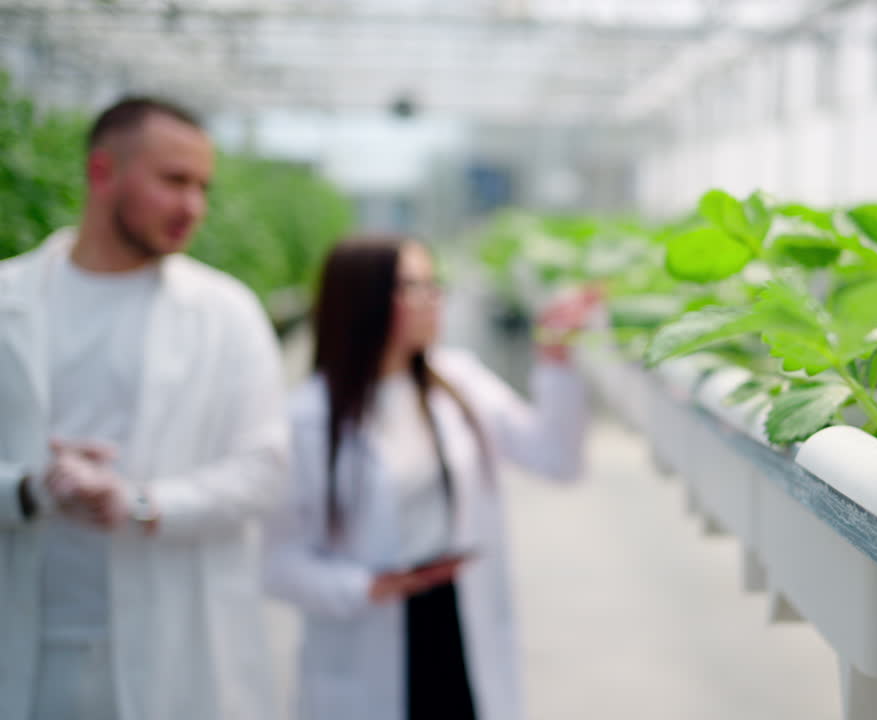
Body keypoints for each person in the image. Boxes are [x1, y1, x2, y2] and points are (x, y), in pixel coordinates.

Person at [0, 98, 287, 719]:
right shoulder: (10, 302)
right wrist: (28, 490)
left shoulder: (226, 314)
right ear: (103, 173)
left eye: (202, 186)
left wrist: (139, 503)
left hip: (176, 652)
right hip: (33, 648)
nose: (194, 207)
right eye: (174, 180)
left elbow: (265, 470)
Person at [264, 235, 594, 720]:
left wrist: (557, 363)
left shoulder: (458, 382)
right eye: (411, 288)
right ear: (362, 301)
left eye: (432, 285)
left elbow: (558, 460)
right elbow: (276, 562)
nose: (431, 300)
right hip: (370, 627)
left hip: (457, 623)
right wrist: (366, 587)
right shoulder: (306, 419)